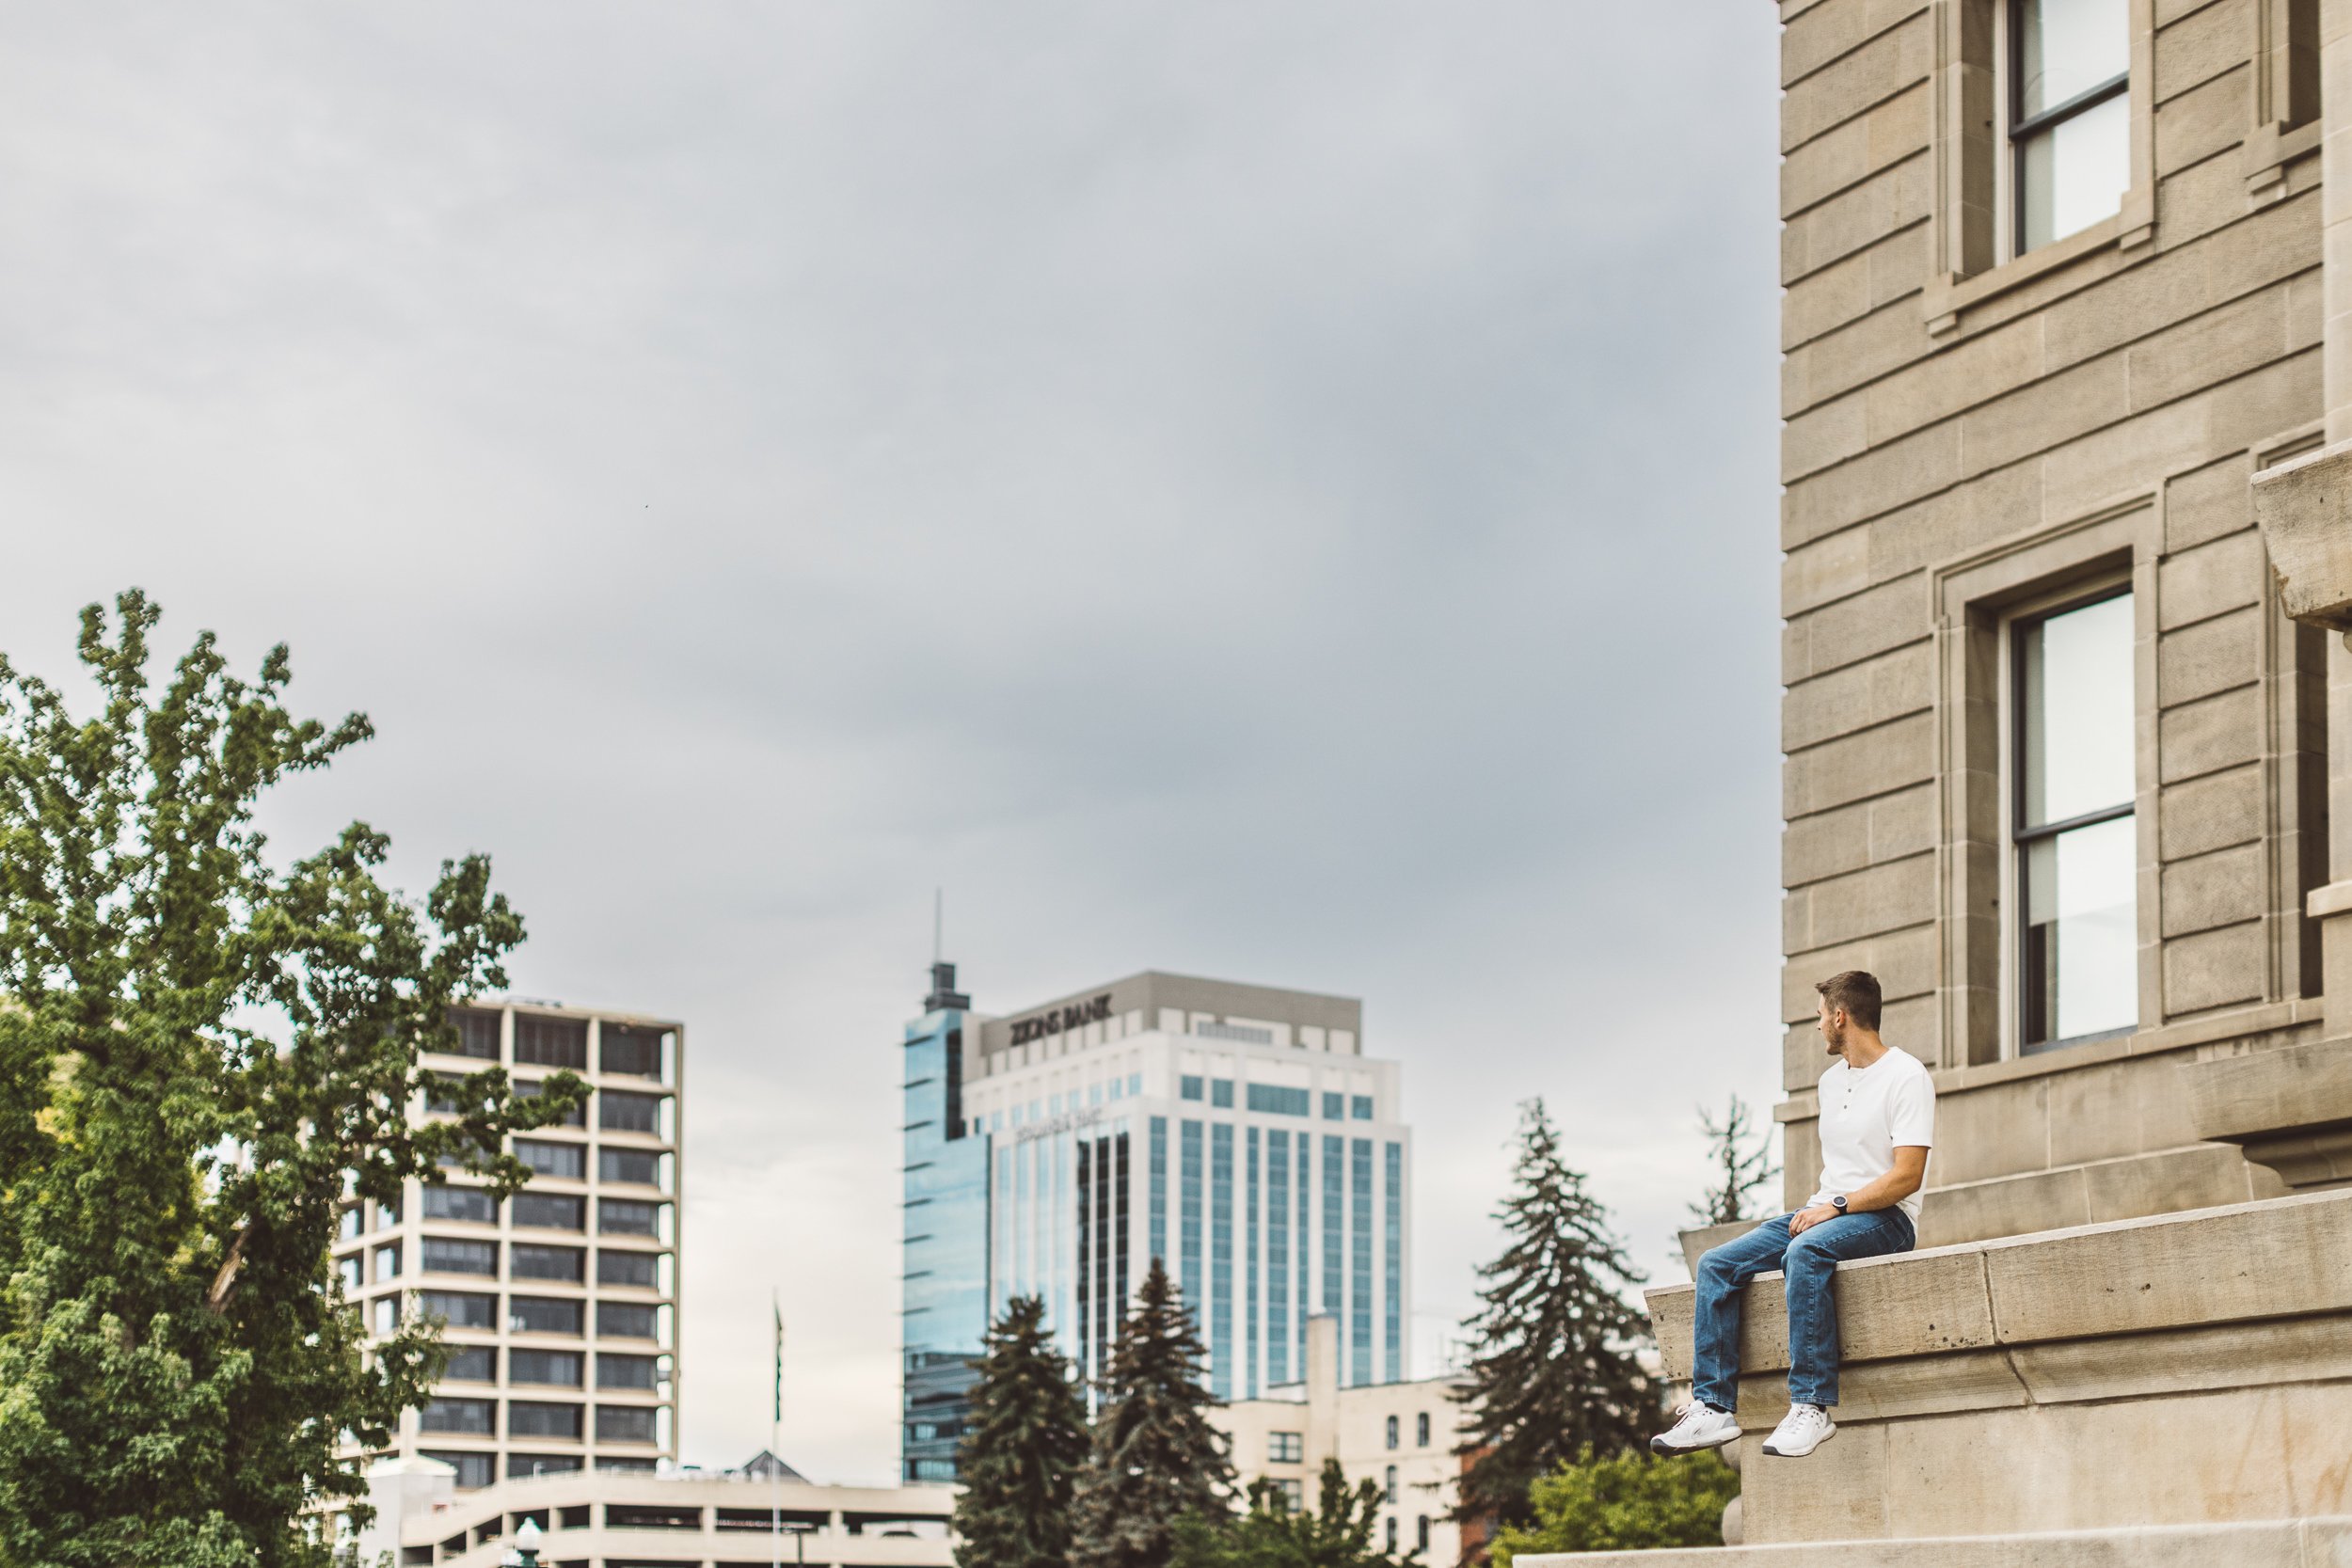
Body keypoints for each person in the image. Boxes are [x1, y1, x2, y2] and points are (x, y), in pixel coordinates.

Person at [1649, 970, 1934, 1460]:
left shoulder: (1907, 1076)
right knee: (1717, 1264)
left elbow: (1907, 1176)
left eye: (1821, 1016)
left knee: (1805, 1251)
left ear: (1841, 1016)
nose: (1819, 1025)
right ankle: (1713, 1409)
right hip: (1826, 1210)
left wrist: (1836, 1207)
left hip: (1887, 1218)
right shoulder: (1829, 1083)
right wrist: (1825, 1208)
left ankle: (1811, 1406)